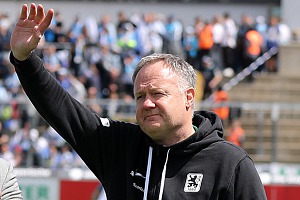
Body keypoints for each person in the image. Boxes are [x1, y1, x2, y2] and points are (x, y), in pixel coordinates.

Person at [9, 3, 267, 199]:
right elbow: (61, 108)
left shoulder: (230, 163)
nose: (147, 104)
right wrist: (24, 59)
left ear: (188, 97)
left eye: (157, 94)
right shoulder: (118, 146)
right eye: (140, 96)